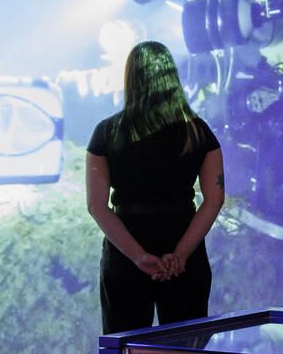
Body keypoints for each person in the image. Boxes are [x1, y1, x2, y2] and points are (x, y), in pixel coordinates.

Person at [86, 40, 225, 333]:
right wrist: (182, 254)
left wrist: (138, 256)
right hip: (184, 245)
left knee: (125, 351)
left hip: (125, 251)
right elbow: (214, 200)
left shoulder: (106, 132)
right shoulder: (198, 131)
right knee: (187, 350)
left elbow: (97, 206)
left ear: (131, 77)